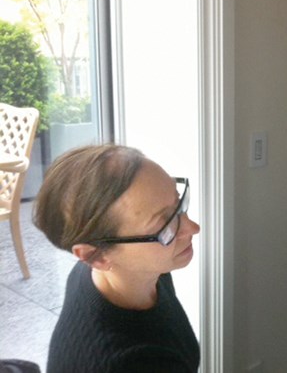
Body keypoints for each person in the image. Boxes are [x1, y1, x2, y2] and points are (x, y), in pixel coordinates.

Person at [33, 144, 200, 373]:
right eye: (164, 226)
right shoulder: (130, 363)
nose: (192, 228)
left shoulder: (104, 274)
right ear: (95, 256)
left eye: (178, 202)